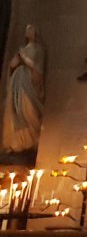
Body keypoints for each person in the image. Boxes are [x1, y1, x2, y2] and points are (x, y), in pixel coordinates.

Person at [3, 25, 46, 156]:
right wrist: (15, 61)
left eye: (31, 29)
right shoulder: (22, 49)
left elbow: (37, 67)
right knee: (16, 110)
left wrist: (25, 59)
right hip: (18, 80)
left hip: (29, 80)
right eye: (27, 30)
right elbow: (12, 65)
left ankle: (30, 142)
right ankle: (16, 143)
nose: (29, 32)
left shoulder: (38, 49)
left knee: (28, 109)